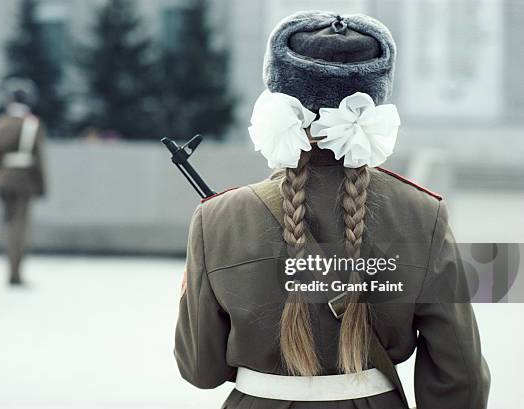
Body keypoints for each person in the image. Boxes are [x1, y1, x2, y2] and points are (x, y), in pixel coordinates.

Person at [174, 11, 490, 409]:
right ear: (373, 103)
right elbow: (459, 374)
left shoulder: (216, 219)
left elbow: (200, 370)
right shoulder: (423, 214)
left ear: (278, 101)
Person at [0, 78, 46, 286]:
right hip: (24, 179)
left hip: (5, 177)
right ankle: (16, 271)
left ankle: (10, 267)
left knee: (8, 224)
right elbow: (39, 159)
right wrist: (41, 185)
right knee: (20, 226)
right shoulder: (32, 123)